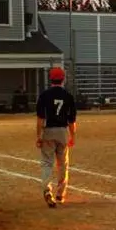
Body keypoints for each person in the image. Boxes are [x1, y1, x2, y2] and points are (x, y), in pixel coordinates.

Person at [36, 67, 77, 208]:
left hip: (49, 130)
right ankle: (60, 193)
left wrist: (38, 136)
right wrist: (72, 136)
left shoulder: (44, 95)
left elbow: (40, 119)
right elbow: (72, 121)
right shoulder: (68, 96)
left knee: (47, 163)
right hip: (63, 131)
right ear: (63, 79)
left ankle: (47, 190)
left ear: (51, 79)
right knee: (63, 163)